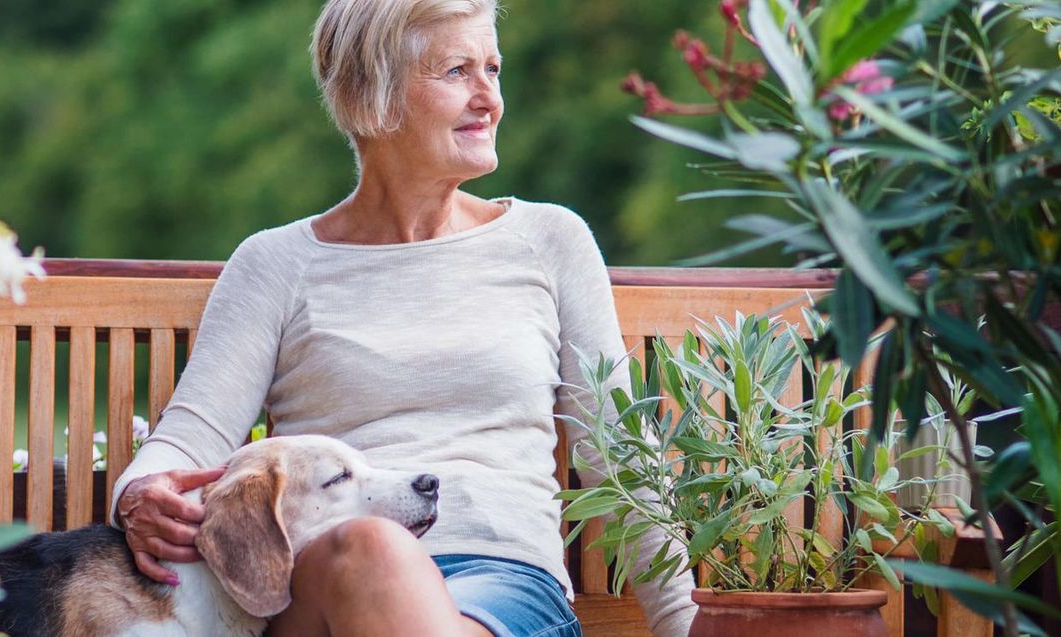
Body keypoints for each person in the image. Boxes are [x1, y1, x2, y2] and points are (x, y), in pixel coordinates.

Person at [111, 1, 697, 635]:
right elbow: (189, 440)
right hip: (330, 585)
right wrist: (136, 496)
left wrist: (683, 624)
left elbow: (622, 460)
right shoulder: (275, 264)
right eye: (456, 71)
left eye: (493, 70)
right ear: (373, 97)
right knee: (376, 550)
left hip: (504, 590)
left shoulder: (551, 241)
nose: (490, 99)